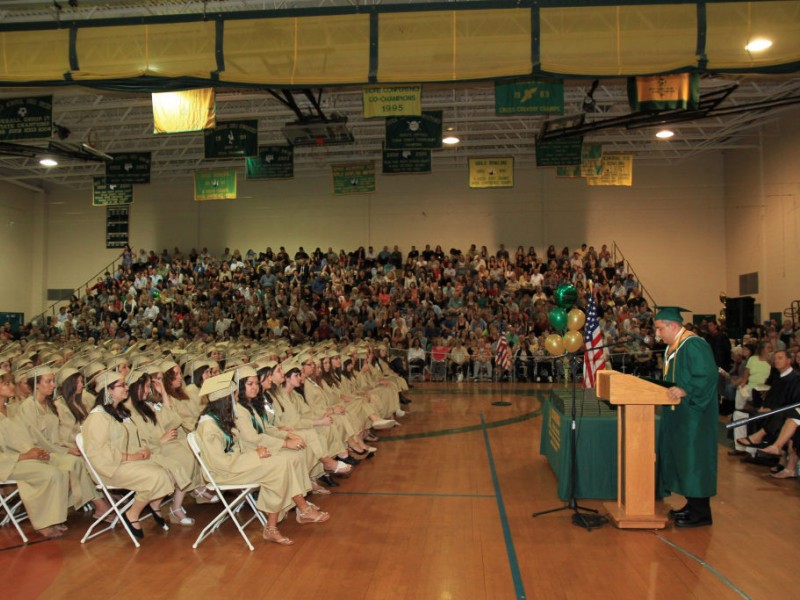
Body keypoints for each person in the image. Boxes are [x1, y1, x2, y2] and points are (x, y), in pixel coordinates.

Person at [654, 306, 718, 528]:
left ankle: (701, 513)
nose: (658, 334)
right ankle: (692, 505)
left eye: (660, 329)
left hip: (695, 415)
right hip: (679, 413)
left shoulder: (694, 345)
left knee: (695, 461)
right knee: (683, 459)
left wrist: (685, 390)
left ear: (673, 325)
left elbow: (707, 375)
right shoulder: (675, 346)